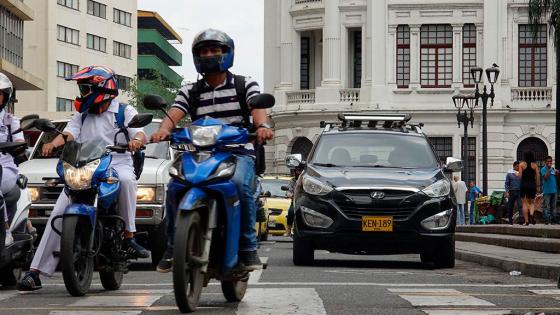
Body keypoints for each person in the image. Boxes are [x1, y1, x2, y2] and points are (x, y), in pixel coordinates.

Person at [151, 29, 274, 273]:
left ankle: (248, 248)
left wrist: (261, 126)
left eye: (215, 50)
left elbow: (258, 109)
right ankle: (172, 245)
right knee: (176, 186)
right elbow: (173, 115)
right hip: (199, 153)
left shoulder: (244, 83)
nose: (209, 55)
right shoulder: (190, 90)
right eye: (203, 51)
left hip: (238, 152)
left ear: (227, 54)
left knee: (239, 184)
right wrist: (162, 130)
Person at [17, 66, 149, 291]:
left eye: (86, 88)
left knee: (127, 181)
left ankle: (129, 234)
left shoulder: (123, 111)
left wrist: (136, 139)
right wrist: (53, 143)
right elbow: (69, 134)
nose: (82, 93)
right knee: (58, 212)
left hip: (116, 164)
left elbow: (140, 132)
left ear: (102, 88)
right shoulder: (82, 115)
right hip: (86, 167)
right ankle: (35, 272)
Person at [0, 72, 24, 247]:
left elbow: (20, 142)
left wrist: (16, 146)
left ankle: (6, 230)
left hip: (5, 168)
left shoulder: (10, 121)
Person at [517, 151, 541, 226]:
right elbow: (538, 176)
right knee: (532, 202)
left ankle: (526, 221)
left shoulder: (521, 164)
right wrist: (538, 186)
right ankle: (531, 214)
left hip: (524, 185)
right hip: (532, 185)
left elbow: (520, 176)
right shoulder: (535, 165)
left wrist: (517, 174)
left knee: (524, 203)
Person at [540, 156, 558, 225]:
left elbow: (556, 179)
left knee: (553, 207)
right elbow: (546, 177)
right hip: (547, 191)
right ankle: (546, 220)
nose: (549, 163)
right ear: (545, 162)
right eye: (548, 161)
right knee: (546, 206)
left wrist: (557, 173)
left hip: (554, 190)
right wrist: (550, 170)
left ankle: (554, 220)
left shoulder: (553, 169)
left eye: (550, 161)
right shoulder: (543, 169)